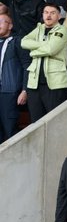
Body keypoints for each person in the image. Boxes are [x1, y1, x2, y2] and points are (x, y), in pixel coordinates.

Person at [21, 2, 67, 122]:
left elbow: (51, 49)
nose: (48, 16)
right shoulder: (39, 28)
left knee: (54, 120)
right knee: (35, 121)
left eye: (53, 13)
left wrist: (33, 52)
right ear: (42, 15)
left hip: (53, 83)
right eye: (46, 12)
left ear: (59, 16)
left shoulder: (62, 30)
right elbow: (23, 42)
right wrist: (44, 44)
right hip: (34, 83)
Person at [0, 13, 29, 142]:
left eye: (2, 21)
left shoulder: (17, 41)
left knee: (9, 128)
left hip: (9, 92)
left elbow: (27, 66)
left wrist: (24, 90)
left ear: (10, 25)